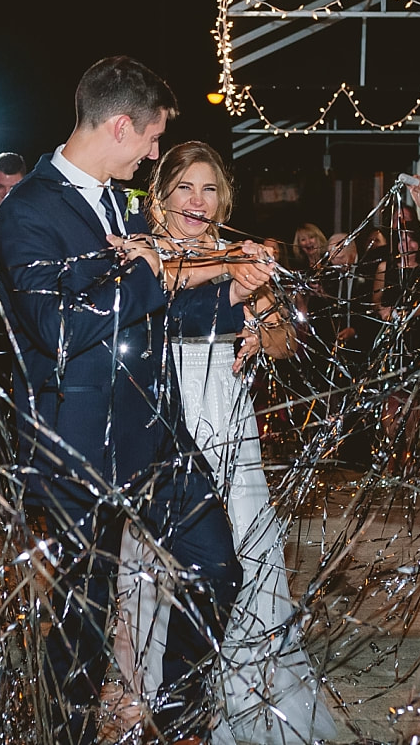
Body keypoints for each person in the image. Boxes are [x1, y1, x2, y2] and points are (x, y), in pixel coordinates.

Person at [0, 55, 273, 744]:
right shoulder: (28, 210)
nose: (154, 153)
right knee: (82, 616)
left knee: (216, 569)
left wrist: (237, 303)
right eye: (150, 139)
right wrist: (146, 272)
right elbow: (57, 327)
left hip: (154, 433)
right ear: (120, 126)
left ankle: (176, 719)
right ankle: (70, 734)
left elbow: (145, 316)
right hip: (79, 443)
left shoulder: (112, 198)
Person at [111, 141, 332, 744]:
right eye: (185, 187)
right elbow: (152, 314)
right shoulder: (143, 250)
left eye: (209, 190)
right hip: (162, 413)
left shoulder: (242, 255)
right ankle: (155, 695)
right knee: (155, 564)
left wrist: (264, 330)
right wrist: (233, 282)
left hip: (226, 415)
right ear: (161, 194)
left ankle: (240, 690)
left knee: (243, 553)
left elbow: (287, 340)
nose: (197, 201)